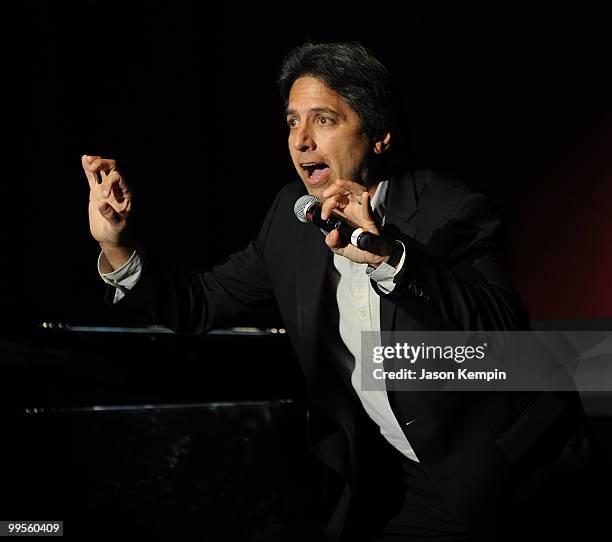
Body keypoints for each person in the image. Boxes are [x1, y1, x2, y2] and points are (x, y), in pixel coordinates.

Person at [82, 42, 584, 541]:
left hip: (511, 473)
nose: (300, 140)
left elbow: (503, 336)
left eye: (322, 119)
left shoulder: (450, 210)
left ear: (380, 136)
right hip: (397, 481)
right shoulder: (290, 217)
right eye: (291, 122)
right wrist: (118, 246)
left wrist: (392, 258)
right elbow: (199, 301)